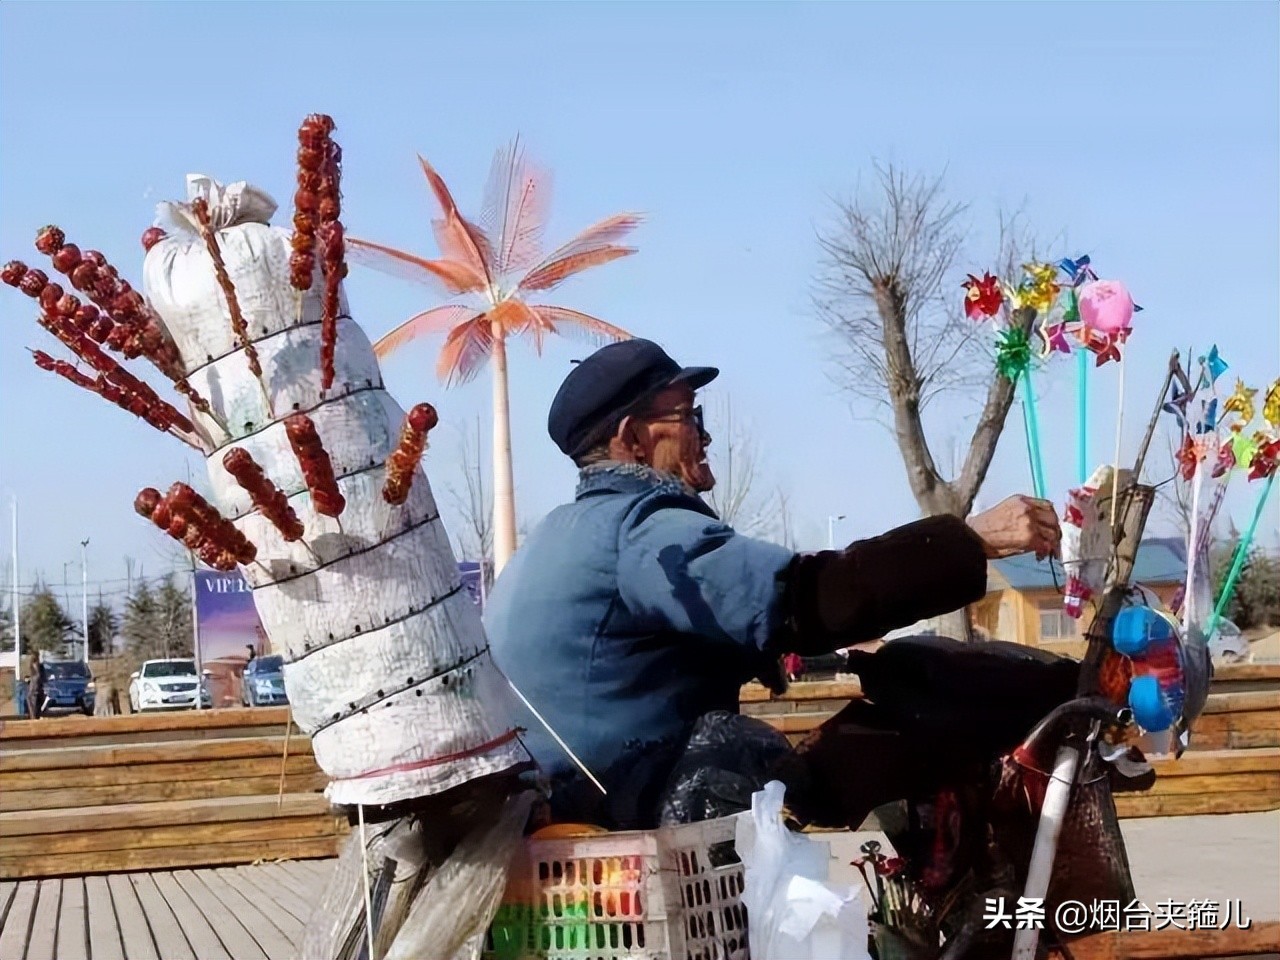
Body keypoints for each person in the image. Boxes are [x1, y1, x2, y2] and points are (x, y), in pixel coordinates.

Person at [486, 338, 1062, 830]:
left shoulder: (557, 536)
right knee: (807, 749)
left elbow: (659, 655)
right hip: (617, 810)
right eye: (689, 418)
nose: (704, 438)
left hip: (562, 802)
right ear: (633, 438)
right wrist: (971, 540)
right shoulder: (642, 531)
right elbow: (807, 598)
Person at [23, 650, 45, 720]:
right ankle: (34, 715)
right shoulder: (36, 664)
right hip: (35, 683)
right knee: (33, 698)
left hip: (34, 683)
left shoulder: (35, 663)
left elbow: (37, 675)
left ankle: (33, 716)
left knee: (31, 698)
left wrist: (31, 679)